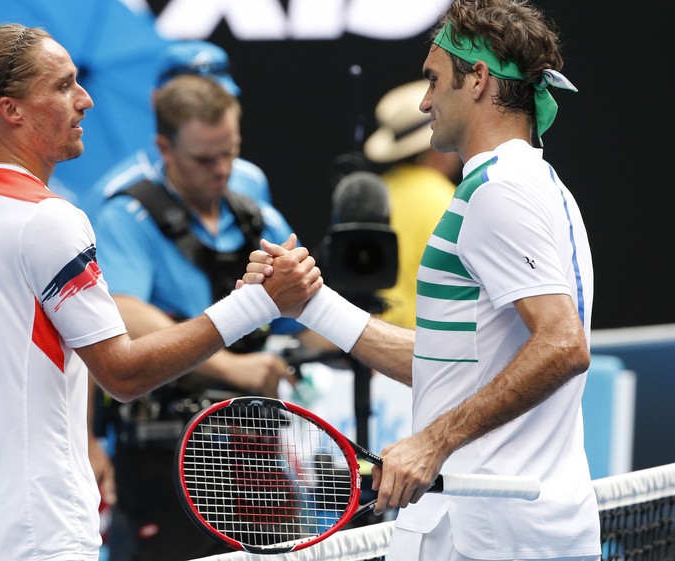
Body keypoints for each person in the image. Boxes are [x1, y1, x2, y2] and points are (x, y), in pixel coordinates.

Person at [0, 24, 321, 561]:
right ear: (10, 110)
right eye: (63, 86)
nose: (84, 100)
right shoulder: (50, 220)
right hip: (45, 531)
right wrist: (255, 303)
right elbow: (122, 372)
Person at [244, 0, 600, 559]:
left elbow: (562, 344)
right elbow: (451, 362)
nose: (424, 100)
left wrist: (432, 442)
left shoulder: (498, 189)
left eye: (434, 79)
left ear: (477, 79)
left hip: (487, 535)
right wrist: (312, 304)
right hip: (506, 527)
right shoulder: (536, 183)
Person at [92, 73, 332, 561]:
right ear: (164, 147)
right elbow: (121, 311)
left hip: (255, 448)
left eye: (231, 152)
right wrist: (233, 368)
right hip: (163, 455)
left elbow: (307, 314)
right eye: (205, 159)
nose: (222, 169)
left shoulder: (256, 218)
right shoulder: (125, 217)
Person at [78, 40, 271, 221]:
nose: (221, 170)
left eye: (220, 99)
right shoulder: (115, 197)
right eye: (188, 102)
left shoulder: (250, 180)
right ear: (156, 101)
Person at [363, 79, 462, 328]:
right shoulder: (449, 200)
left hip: (368, 339)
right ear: (437, 147)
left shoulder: (374, 193)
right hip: (424, 345)